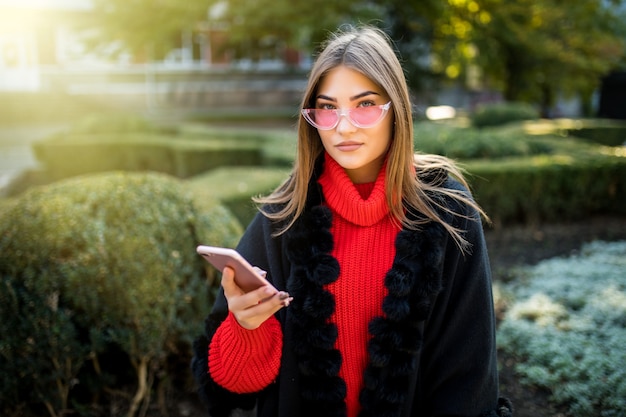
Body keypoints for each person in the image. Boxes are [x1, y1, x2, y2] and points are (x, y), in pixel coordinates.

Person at [192, 25, 513, 417]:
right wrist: (246, 328)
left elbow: (468, 380)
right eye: (327, 108)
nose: (344, 126)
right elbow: (232, 387)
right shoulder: (284, 216)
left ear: (395, 108)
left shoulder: (447, 212)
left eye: (364, 104)